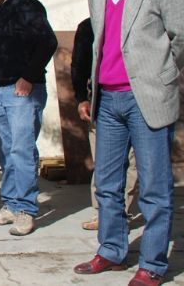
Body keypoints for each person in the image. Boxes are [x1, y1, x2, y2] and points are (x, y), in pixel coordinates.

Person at [73, 0, 184, 286]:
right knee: (108, 185)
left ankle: (153, 264)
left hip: (147, 99)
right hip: (107, 101)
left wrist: (164, 74)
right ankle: (111, 251)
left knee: (154, 188)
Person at [0, 0, 57, 236]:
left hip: (22, 91)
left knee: (22, 150)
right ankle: (11, 204)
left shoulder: (27, 6)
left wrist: (28, 76)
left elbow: (48, 42)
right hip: (0, 91)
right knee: (4, 150)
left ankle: (26, 209)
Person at [71, 17, 138, 231]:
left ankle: (123, 213)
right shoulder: (87, 27)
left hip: (139, 98)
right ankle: (102, 212)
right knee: (104, 160)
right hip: (101, 99)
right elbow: (78, 65)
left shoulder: (137, 22)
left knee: (134, 162)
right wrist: (82, 98)